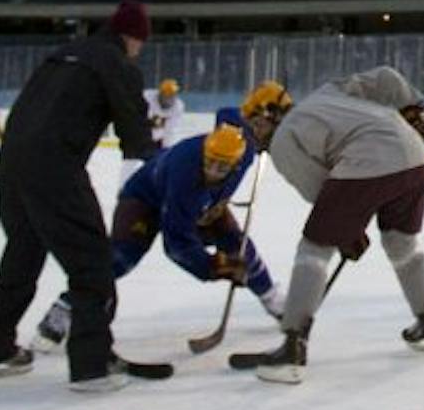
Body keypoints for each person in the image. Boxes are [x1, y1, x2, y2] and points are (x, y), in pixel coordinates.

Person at [0, 0, 167, 392]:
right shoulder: (116, 63)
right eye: (140, 43)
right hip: (55, 171)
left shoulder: (60, 55)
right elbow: (135, 132)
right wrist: (152, 166)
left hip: (11, 169)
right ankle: (93, 366)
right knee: (93, 264)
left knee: (21, 259)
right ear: (132, 37)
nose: (139, 50)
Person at [233, 66, 424, 383]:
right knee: (401, 243)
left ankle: (292, 349)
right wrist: (413, 109)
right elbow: (386, 77)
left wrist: (348, 231)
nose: (255, 131)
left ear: (270, 113)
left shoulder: (283, 140)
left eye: (256, 123)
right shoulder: (327, 92)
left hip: (369, 159)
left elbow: (319, 191)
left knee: (315, 248)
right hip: (414, 157)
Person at [35, 123, 284, 345]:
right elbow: (176, 244)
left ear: (236, 164)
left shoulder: (245, 151)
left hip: (203, 203)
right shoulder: (185, 177)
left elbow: (234, 117)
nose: (213, 170)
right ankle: (65, 309)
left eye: (222, 167)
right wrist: (212, 267)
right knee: (121, 257)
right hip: (144, 201)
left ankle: (273, 299)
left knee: (237, 243)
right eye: (209, 162)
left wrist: (264, 128)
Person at [121, 77, 186, 188]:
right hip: (138, 136)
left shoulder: (178, 106)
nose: (169, 99)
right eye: (167, 96)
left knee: (156, 168)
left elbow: (171, 129)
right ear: (160, 93)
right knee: (130, 164)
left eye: (172, 96)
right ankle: (123, 187)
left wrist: (166, 149)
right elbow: (136, 117)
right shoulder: (146, 97)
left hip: (157, 140)